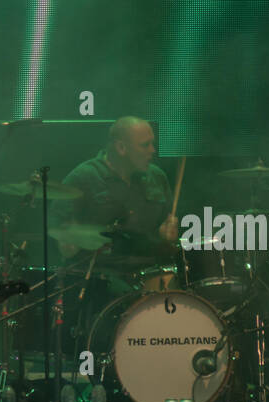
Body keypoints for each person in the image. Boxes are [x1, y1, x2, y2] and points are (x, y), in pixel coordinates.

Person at [53, 116, 179, 336]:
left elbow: (166, 229)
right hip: (101, 277)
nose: (152, 150)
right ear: (121, 147)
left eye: (153, 143)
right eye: (145, 145)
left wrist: (167, 233)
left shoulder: (157, 177)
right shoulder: (84, 177)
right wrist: (67, 240)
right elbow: (60, 228)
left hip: (148, 273)